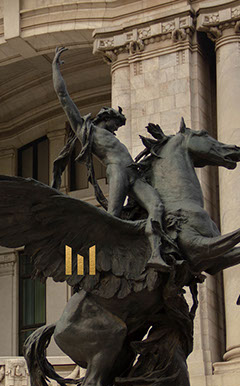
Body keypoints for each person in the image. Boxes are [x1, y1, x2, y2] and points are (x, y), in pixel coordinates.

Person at [52, 46, 168, 271]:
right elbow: (63, 97)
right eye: (117, 123)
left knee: (156, 205)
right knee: (112, 218)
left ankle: (156, 255)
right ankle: (85, 263)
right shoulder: (87, 131)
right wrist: (55, 68)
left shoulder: (111, 137)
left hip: (133, 174)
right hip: (117, 171)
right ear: (107, 118)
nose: (117, 128)